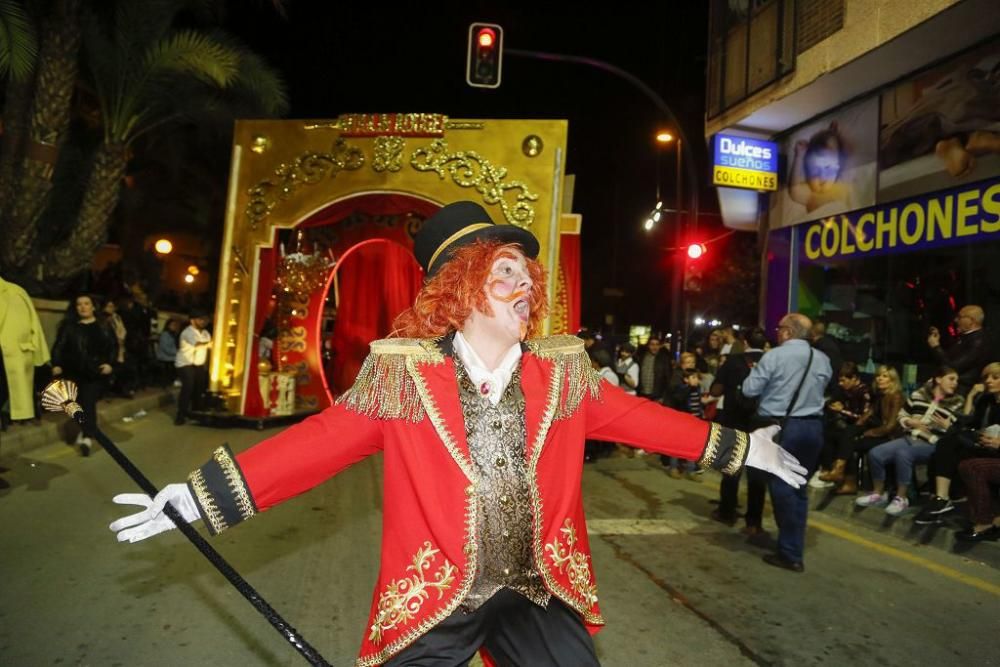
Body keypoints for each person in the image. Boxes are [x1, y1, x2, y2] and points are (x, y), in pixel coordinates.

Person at [107, 201, 806, 667]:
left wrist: (747, 448)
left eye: (526, 275)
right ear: (463, 289)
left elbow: (646, 420)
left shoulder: (564, 374)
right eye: (506, 273)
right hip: (436, 593)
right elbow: (314, 444)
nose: (526, 286)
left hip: (539, 587)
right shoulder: (402, 379)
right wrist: (196, 499)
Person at [741, 313, 833, 572]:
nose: (777, 332)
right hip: (813, 427)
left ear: (788, 332)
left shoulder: (774, 356)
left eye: (779, 328)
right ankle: (792, 544)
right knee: (798, 489)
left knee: (782, 487)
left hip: (784, 426)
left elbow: (749, 389)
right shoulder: (822, 359)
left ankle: (790, 552)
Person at [855, 367, 964, 516]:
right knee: (876, 453)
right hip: (910, 436)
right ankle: (879, 493)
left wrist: (947, 426)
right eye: (951, 379)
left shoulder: (957, 402)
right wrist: (909, 421)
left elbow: (960, 427)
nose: (955, 383)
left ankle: (901, 498)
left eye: (956, 380)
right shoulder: (919, 394)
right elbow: (902, 414)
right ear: (938, 379)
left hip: (932, 442)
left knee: (903, 454)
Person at [915, 362, 1000, 524]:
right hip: (983, 444)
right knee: (944, 446)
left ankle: (946, 501)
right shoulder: (986, 400)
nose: (989, 381)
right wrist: (955, 424)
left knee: (952, 448)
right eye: (986, 377)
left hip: (996, 449)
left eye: (995, 377)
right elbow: (972, 423)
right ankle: (939, 500)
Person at [709, 328, 767, 528]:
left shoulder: (734, 361)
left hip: (736, 419)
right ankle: (753, 522)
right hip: (763, 421)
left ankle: (727, 512)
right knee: (758, 471)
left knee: (732, 466)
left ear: (745, 342)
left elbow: (716, 389)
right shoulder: (772, 361)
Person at [820, 365, 904, 495]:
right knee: (845, 435)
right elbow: (868, 414)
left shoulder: (896, 396)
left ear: (892, 380)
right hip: (875, 430)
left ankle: (846, 478)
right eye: (878, 376)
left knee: (849, 442)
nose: (879, 379)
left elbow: (890, 426)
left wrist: (869, 433)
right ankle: (839, 472)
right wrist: (856, 427)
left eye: (884, 376)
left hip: (888, 437)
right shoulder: (880, 395)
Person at [50, 294, 117, 456]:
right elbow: (59, 346)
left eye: (87, 304)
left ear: (93, 306)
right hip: (73, 373)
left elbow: (113, 347)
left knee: (88, 402)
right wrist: (57, 364)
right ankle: (85, 430)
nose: (83, 307)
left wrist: (110, 364)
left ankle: (87, 437)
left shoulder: (104, 326)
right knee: (78, 405)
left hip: (94, 373)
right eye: (79, 304)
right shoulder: (69, 327)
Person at [0, 276, 50, 428]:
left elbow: (34, 323)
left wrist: (40, 354)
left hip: (13, 354)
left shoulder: (15, 292)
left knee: (10, 390)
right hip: (12, 354)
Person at [927, 305, 990, 393]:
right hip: (949, 386)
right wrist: (936, 345)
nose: (956, 320)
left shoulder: (978, 341)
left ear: (971, 321)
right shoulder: (965, 338)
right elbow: (947, 359)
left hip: (960, 390)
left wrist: (936, 347)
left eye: (960, 317)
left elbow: (953, 367)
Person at [174, 310, 212, 425]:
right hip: (185, 363)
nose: (203, 321)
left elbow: (208, 350)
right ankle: (181, 415)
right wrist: (211, 344)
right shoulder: (187, 332)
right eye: (200, 319)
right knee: (188, 387)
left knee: (199, 387)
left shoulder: (206, 333)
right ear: (192, 320)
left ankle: (196, 412)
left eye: (204, 319)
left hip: (198, 364)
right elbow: (198, 345)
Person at [155, 318, 181, 386]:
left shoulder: (174, 335)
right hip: (164, 356)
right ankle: (174, 380)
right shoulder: (165, 335)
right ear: (168, 325)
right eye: (172, 325)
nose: (174, 327)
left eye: (175, 325)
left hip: (172, 355)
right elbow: (166, 349)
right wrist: (177, 352)